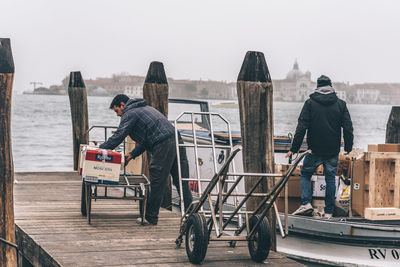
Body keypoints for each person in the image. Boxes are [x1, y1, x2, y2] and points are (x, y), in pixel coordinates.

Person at [99, 94, 193, 225]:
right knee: (181, 181)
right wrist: (131, 155)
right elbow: (146, 139)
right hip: (177, 140)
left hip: (162, 145)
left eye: (117, 111)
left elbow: (119, 135)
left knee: (157, 182)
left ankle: (150, 218)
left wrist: (99, 150)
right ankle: (192, 217)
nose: (118, 115)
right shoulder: (145, 108)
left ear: (122, 105)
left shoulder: (129, 113)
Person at [286, 75, 353, 219]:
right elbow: (348, 128)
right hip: (332, 150)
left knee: (305, 174)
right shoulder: (341, 104)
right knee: (330, 179)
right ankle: (328, 212)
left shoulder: (310, 103)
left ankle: (306, 203)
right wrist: (348, 147)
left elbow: (301, 126)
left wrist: (294, 148)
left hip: (314, 149)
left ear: (317, 87)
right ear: (331, 86)